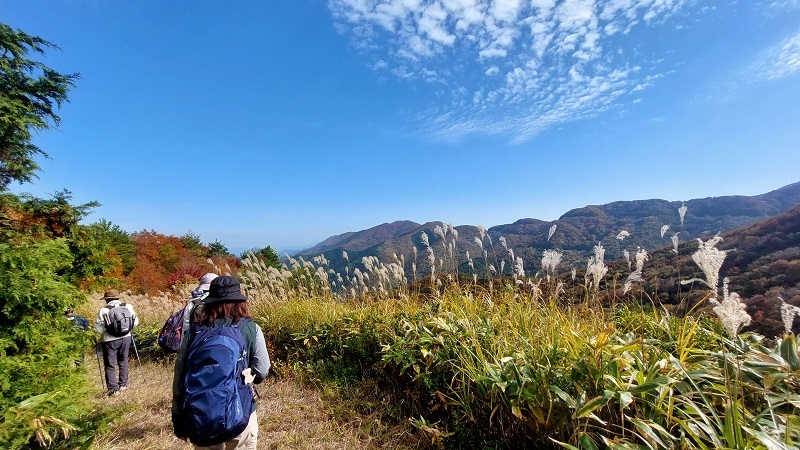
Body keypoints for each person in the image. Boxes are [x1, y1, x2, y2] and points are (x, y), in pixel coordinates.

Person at [172, 276, 270, 449]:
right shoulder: (250, 328)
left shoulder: (194, 332)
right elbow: (262, 369)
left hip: (201, 414)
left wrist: (178, 418)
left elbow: (179, 377)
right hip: (242, 410)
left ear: (209, 302)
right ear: (240, 302)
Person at [95, 289, 139, 396]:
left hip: (109, 340)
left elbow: (98, 329)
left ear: (107, 300)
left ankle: (114, 390)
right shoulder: (128, 306)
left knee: (110, 364)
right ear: (118, 298)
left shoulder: (104, 310)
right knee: (123, 361)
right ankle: (123, 385)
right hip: (126, 337)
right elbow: (135, 322)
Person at [181, 272, 218, 346]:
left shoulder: (193, 302)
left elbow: (185, 328)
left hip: (196, 344)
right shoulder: (224, 302)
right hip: (217, 343)